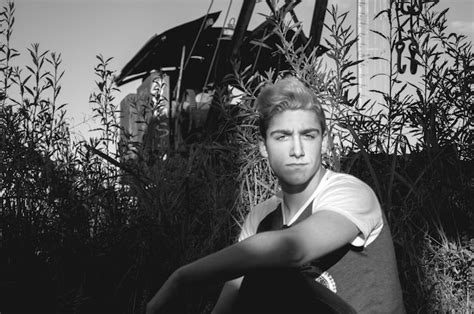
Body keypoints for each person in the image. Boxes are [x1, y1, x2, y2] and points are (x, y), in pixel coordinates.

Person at [146, 76, 405, 314]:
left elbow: (292, 249)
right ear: (263, 147)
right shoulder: (260, 218)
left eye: (308, 135)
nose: (297, 150)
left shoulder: (350, 192)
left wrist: (182, 279)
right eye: (282, 137)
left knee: (268, 268)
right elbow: (228, 306)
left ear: (324, 142)